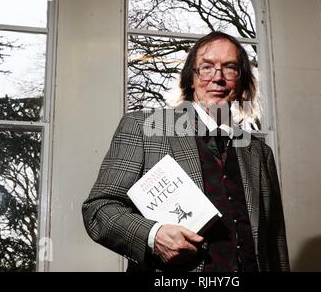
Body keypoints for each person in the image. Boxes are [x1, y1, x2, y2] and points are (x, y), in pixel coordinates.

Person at [82, 31, 290, 272]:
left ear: (241, 81)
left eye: (230, 68)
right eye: (207, 67)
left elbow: (276, 246)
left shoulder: (260, 152)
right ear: (191, 78)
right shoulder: (143, 127)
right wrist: (153, 235)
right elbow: (99, 209)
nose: (218, 78)